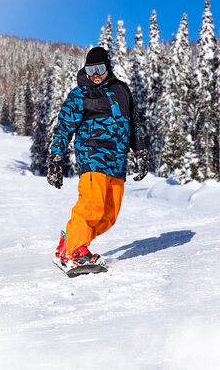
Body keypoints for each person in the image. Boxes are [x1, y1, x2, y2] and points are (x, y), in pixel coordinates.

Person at [47, 45, 148, 270]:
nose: (95, 75)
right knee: (92, 205)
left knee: (109, 214)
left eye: (100, 69)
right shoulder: (80, 94)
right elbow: (63, 128)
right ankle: (75, 252)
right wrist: (55, 158)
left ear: (108, 68)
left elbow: (134, 122)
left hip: (117, 161)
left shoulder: (122, 90)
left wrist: (140, 150)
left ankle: (69, 242)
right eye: (91, 69)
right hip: (92, 155)